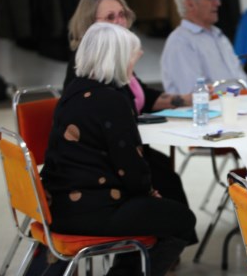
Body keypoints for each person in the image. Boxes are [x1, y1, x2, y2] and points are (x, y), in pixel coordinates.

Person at [42, 23, 197, 276]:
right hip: (91, 210)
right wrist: (149, 193)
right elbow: (131, 167)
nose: (133, 66)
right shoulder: (111, 100)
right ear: (118, 59)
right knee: (181, 220)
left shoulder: (72, 91)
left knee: (158, 209)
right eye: (131, 58)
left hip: (59, 202)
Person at [63, 0, 190, 208]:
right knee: (165, 180)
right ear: (89, 25)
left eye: (122, 14)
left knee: (164, 170)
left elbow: (142, 95)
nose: (120, 21)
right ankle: (161, 234)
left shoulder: (116, 56)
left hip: (122, 147)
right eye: (110, 17)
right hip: (101, 163)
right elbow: (114, 109)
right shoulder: (91, 65)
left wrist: (187, 99)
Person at [160, 0, 247, 94]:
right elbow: (193, 93)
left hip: (240, 105)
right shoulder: (180, 41)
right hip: (211, 109)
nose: (217, 3)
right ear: (190, 4)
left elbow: (240, 79)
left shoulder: (218, 35)